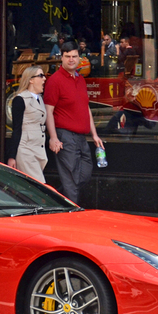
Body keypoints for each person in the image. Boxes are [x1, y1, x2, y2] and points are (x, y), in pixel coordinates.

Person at [45, 41, 104, 204]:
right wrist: (53, 137)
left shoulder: (80, 79)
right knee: (71, 179)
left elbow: (86, 108)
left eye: (74, 56)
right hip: (65, 136)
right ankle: (71, 214)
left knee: (84, 174)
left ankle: (56, 202)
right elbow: (48, 111)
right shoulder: (55, 81)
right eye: (67, 56)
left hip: (81, 137)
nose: (71, 60)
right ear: (61, 58)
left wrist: (95, 134)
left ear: (79, 58)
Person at [6, 66, 47, 183]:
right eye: (40, 76)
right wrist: (12, 156)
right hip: (26, 150)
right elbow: (17, 128)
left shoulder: (39, 99)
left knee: (31, 187)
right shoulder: (20, 100)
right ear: (31, 79)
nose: (44, 79)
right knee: (39, 185)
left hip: (39, 149)